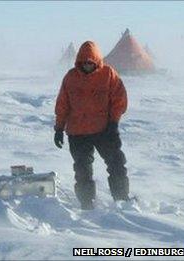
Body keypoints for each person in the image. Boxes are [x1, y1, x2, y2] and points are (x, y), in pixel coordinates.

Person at [54, 40, 130, 210]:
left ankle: (122, 200)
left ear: (96, 60)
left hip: (104, 130)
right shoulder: (71, 77)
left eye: (91, 62)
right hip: (78, 132)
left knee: (116, 164)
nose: (87, 65)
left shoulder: (108, 74)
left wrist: (113, 123)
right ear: (79, 61)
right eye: (84, 62)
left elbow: (119, 99)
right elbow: (62, 104)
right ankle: (86, 204)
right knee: (82, 172)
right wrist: (59, 128)